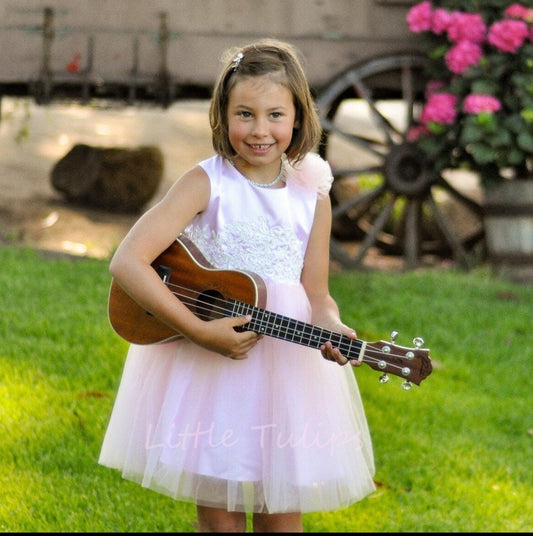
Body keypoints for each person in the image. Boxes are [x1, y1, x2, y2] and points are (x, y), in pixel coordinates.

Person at [99, 38, 376, 533]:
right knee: (220, 518)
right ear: (223, 116)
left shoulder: (312, 196)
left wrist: (332, 324)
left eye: (275, 114)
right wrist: (198, 331)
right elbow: (129, 262)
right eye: (244, 114)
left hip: (285, 371)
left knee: (281, 514)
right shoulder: (207, 182)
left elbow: (317, 292)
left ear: (298, 118)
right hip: (212, 364)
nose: (260, 130)